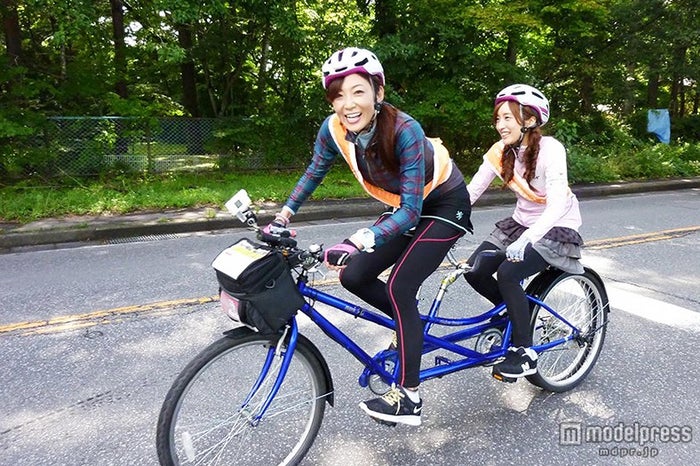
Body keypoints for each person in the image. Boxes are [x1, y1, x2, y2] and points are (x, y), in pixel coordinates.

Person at [265, 47, 473, 426]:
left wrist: (358, 240)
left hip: (444, 204)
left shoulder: (404, 129)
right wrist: (282, 215)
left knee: (399, 286)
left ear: (378, 93)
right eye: (338, 95)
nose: (348, 104)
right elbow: (314, 172)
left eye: (358, 91)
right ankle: (412, 330)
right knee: (353, 276)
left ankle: (409, 398)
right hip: (406, 204)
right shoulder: (333, 130)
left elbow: (412, 212)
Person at [465, 84, 584, 380]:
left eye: (507, 118)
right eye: (498, 119)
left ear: (528, 120)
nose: (500, 125)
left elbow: (556, 204)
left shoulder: (551, 150)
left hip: (555, 226)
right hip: (521, 223)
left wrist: (528, 239)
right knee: (473, 270)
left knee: (507, 274)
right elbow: (470, 192)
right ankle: (513, 315)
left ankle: (525, 351)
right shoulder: (499, 152)